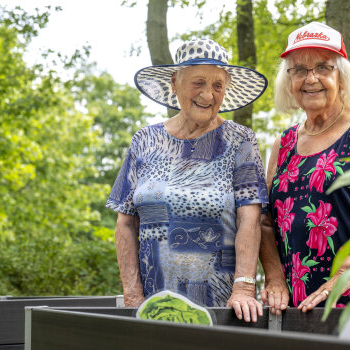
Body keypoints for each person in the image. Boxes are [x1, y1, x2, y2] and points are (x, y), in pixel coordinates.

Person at [107, 38, 269, 323]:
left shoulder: (240, 141)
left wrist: (244, 287)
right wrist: (133, 297)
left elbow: (250, 219)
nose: (208, 95)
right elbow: (125, 223)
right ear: (174, 83)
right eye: (198, 83)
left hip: (222, 308)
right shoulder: (145, 140)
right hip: (152, 307)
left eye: (218, 85)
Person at [259, 22, 350, 314]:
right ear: (289, 81)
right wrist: (275, 278)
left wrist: (342, 275)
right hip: (298, 305)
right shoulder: (284, 143)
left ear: (342, 78)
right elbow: (265, 223)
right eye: (299, 69)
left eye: (323, 67)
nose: (310, 78)